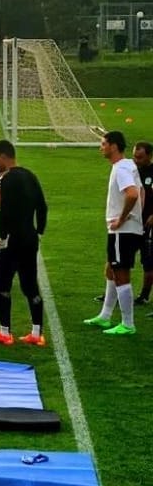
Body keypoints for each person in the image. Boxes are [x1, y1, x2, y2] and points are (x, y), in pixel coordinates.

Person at [0, 140, 48, 346]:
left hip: (12, 242)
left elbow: (7, 212)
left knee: (2, 285)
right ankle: (37, 334)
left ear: (3, 156)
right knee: (30, 286)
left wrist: (1, 239)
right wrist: (39, 232)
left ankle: (5, 332)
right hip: (30, 238)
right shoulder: (31, 176)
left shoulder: (7, 179)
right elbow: (43, 207)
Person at [84, 131, 143, 335]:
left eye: (103, 143)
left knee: (120, 273)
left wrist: (123, 217)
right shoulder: (128, 166)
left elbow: (133, 194)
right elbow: (141, 192)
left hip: (123, 231)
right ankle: (105, 316)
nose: (101, 147)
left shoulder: (122, 169)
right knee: (111, 269)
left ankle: (128, 324)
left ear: (114, 146)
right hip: (128, 229)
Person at [131, 141, 153, 306]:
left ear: (149, 156)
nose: (136, 160)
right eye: (134, 156)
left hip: (148, 224)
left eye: (140, 157)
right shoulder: (130, 171)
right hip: (131, 223)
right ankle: (112, 292)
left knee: (148, 261)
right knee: (118, 259)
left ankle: (144, 296)